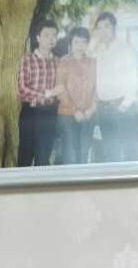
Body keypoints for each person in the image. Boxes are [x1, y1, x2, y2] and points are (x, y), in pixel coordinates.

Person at [89, 12, 138, 162]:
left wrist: (124, 106)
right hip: (103, 109)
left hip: (122, 108)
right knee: (110, 154)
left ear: (114, 27)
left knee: (129, 153)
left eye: (107, 26)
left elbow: (136, 80)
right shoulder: (98, 52)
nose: (103, 31)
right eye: (99, 28)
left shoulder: (126, 49)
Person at [16, 20, 62, 166]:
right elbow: (22, 89)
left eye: (54, 35)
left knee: (44, 155)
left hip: (50, 113)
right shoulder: (27, 59)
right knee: (25, 155)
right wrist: (48, 93)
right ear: (38, 38)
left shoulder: (58, 61)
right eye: (46, 35)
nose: (51, 39)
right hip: (31, 112)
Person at [56, 27, 97, 165]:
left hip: (88, 114)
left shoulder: (93, 62)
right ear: (71, 43)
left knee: (84, 154)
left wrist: (91, 109)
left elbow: (98, 88)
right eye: (76, 42)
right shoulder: (64, 61)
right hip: (68, 115)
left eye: (84, 42)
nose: (80, 46)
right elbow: (60, 89)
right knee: (71, 156)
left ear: (88, 43)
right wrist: (75, 111)